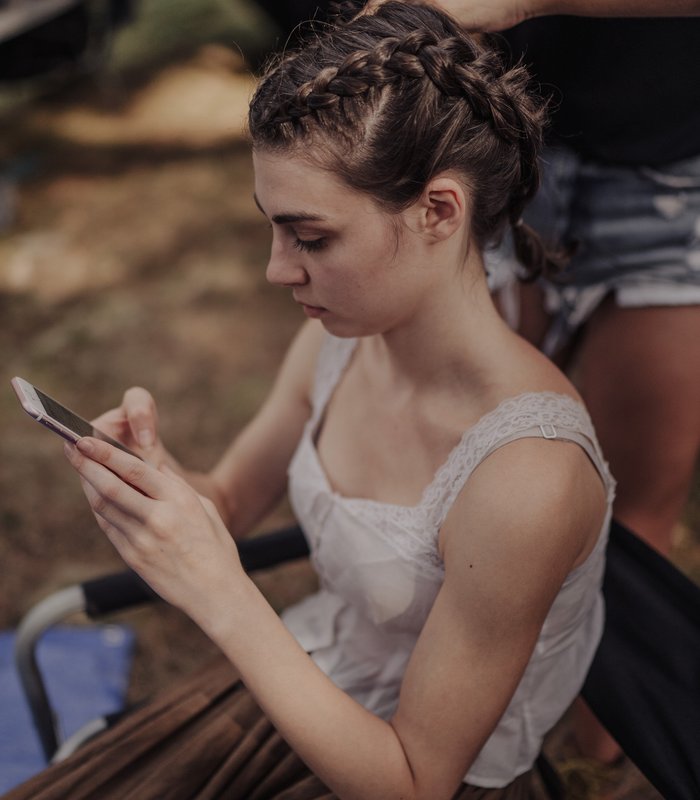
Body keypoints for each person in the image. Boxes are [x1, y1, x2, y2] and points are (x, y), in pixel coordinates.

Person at [5, 3, 616, 799]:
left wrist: (221, 592)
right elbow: (227, 498)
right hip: (301, 688)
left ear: (438, 211)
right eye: (271, 230)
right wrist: (157, 485)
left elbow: (416, 780)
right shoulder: (337, 344)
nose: (276, 270)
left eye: (311, 238)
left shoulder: (528, 476)